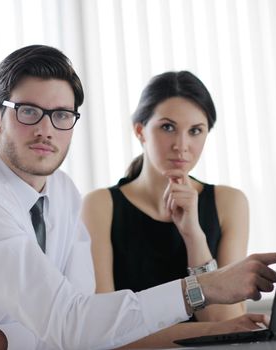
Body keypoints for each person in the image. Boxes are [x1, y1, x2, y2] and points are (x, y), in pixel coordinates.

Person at [0, 45, 276, 350]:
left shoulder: (61, 192)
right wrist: (206, 287)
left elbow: (84, 326)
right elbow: (73, 324)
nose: (46, 129)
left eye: (61, 115)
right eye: (28, 112)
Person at [82, 71, 255, 348]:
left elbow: (227, 324)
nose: (181, 146)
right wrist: (211, 331)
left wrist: (194, 236)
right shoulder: (100, 205)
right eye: (167, 127)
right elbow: (105, 331)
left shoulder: (229, 202)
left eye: (195, 131)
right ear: (140, 130)